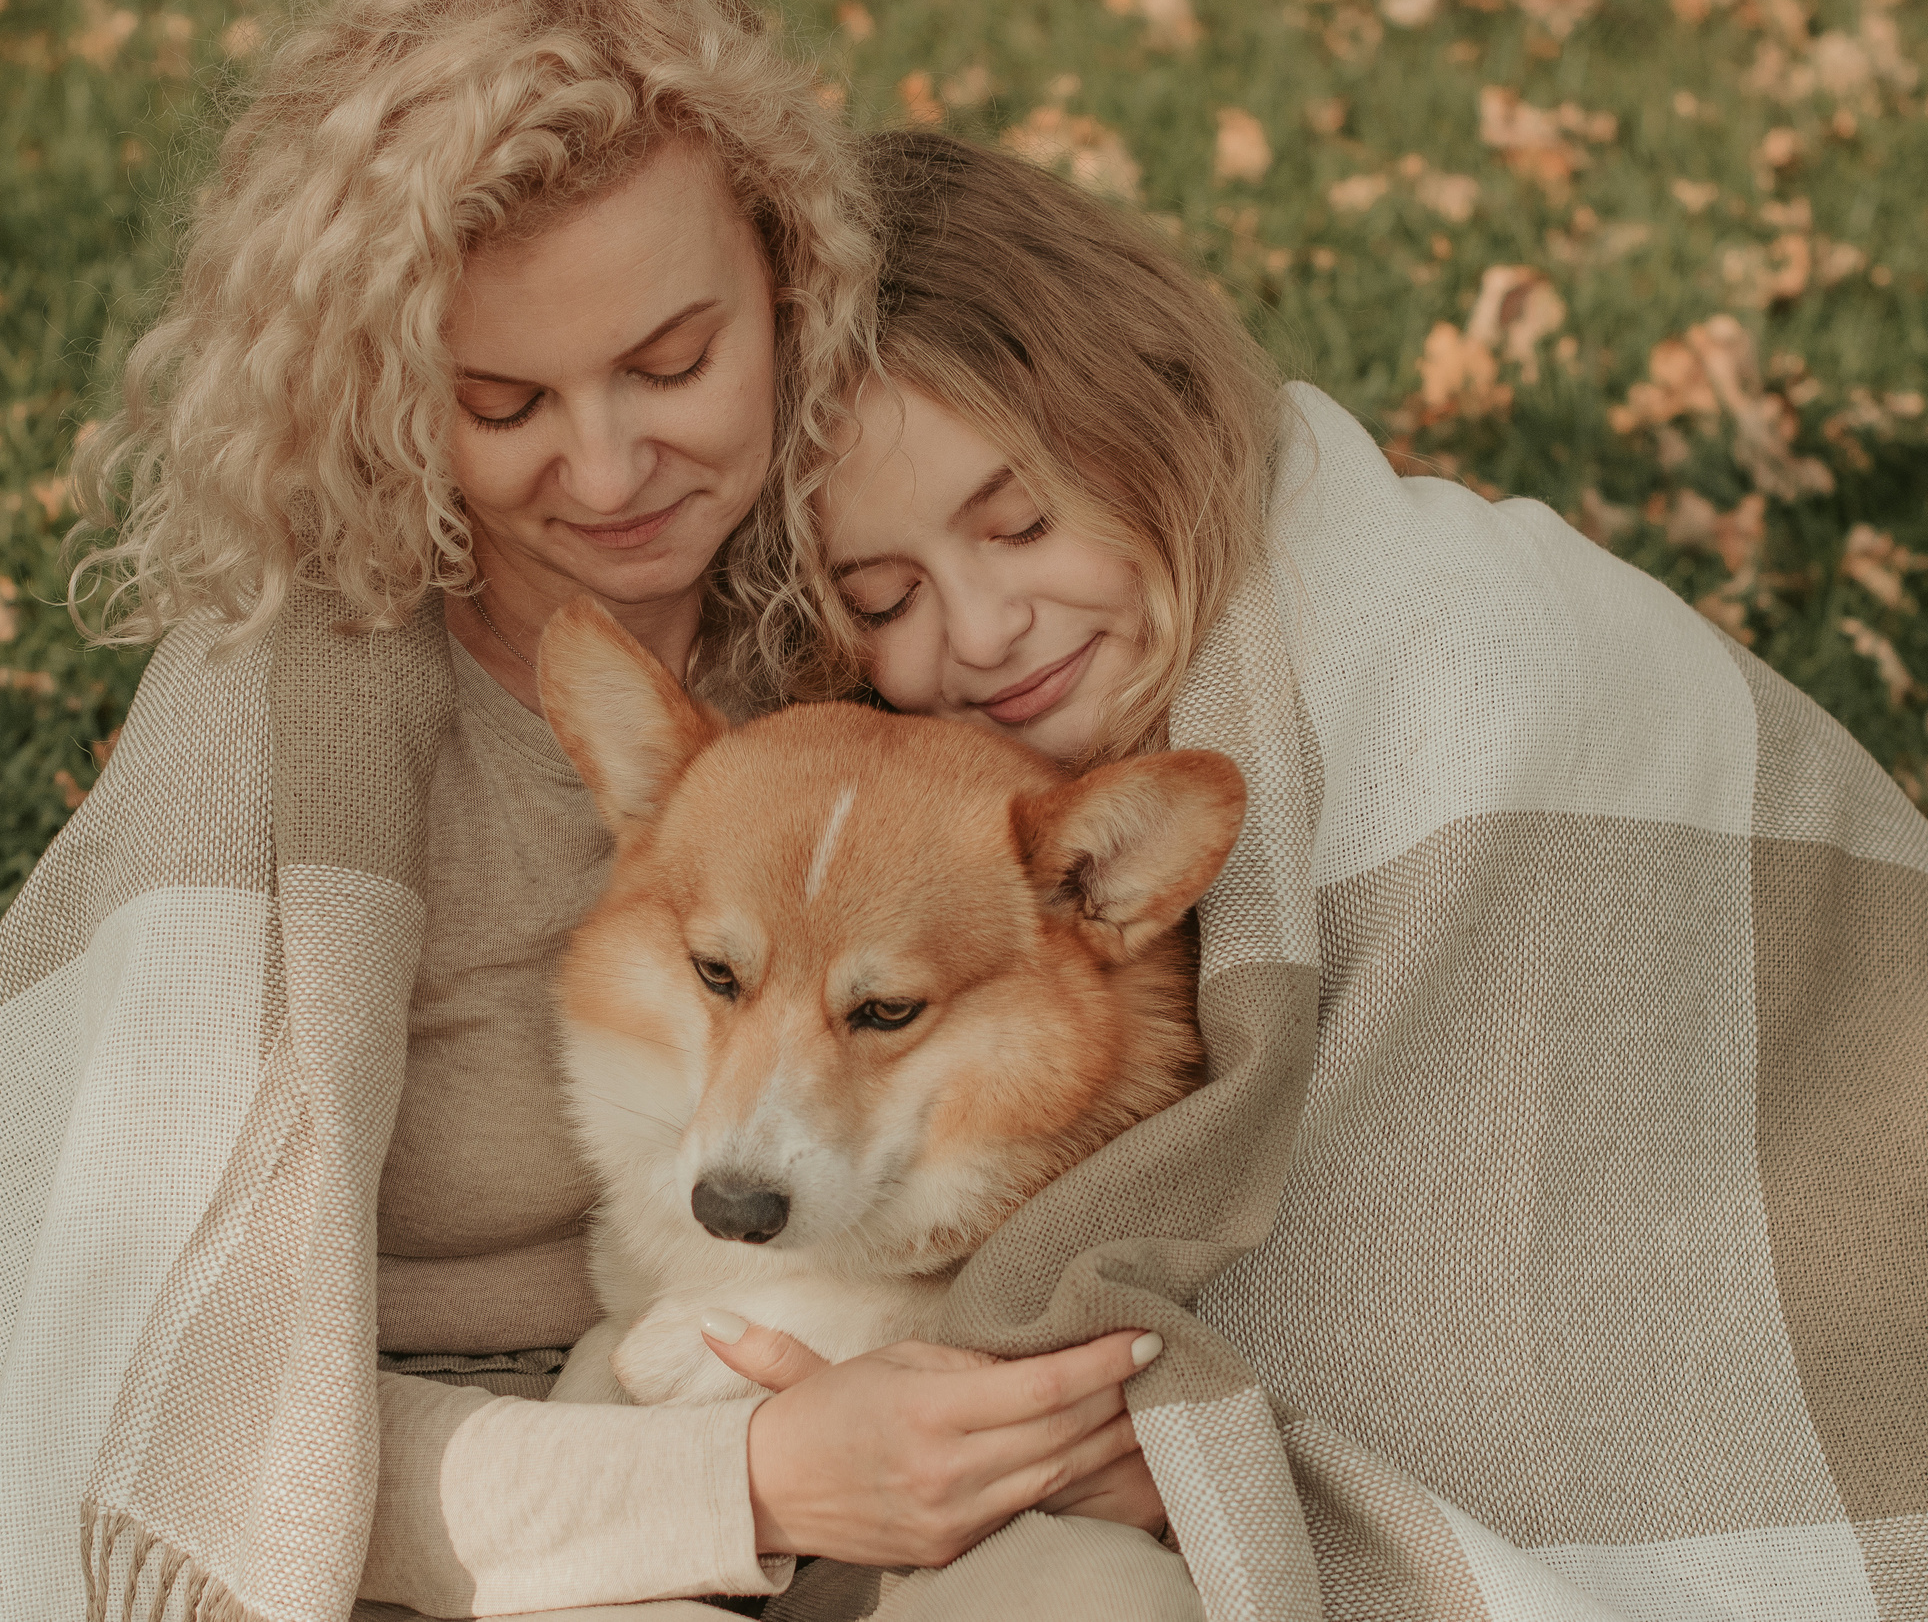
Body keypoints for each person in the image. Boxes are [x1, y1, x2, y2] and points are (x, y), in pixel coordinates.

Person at [0, 0, 1198, 1622]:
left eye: (674, 361)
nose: (613, 467)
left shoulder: (869, 603)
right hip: (403, 1477)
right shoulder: (293, 720)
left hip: (829, 1394)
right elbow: (172, 1406)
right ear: (391, 392)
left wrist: (1108, 1431)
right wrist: (744, 1484)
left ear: (792, 285)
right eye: (505, 401)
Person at [737, 129, 1928, 1619]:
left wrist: (1207, 1447)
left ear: (1140, 415)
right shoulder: (997, 794)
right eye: (885, 596)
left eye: (1022, 522)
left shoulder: (1458, 655)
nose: (979, 631)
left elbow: (1505, 1225)